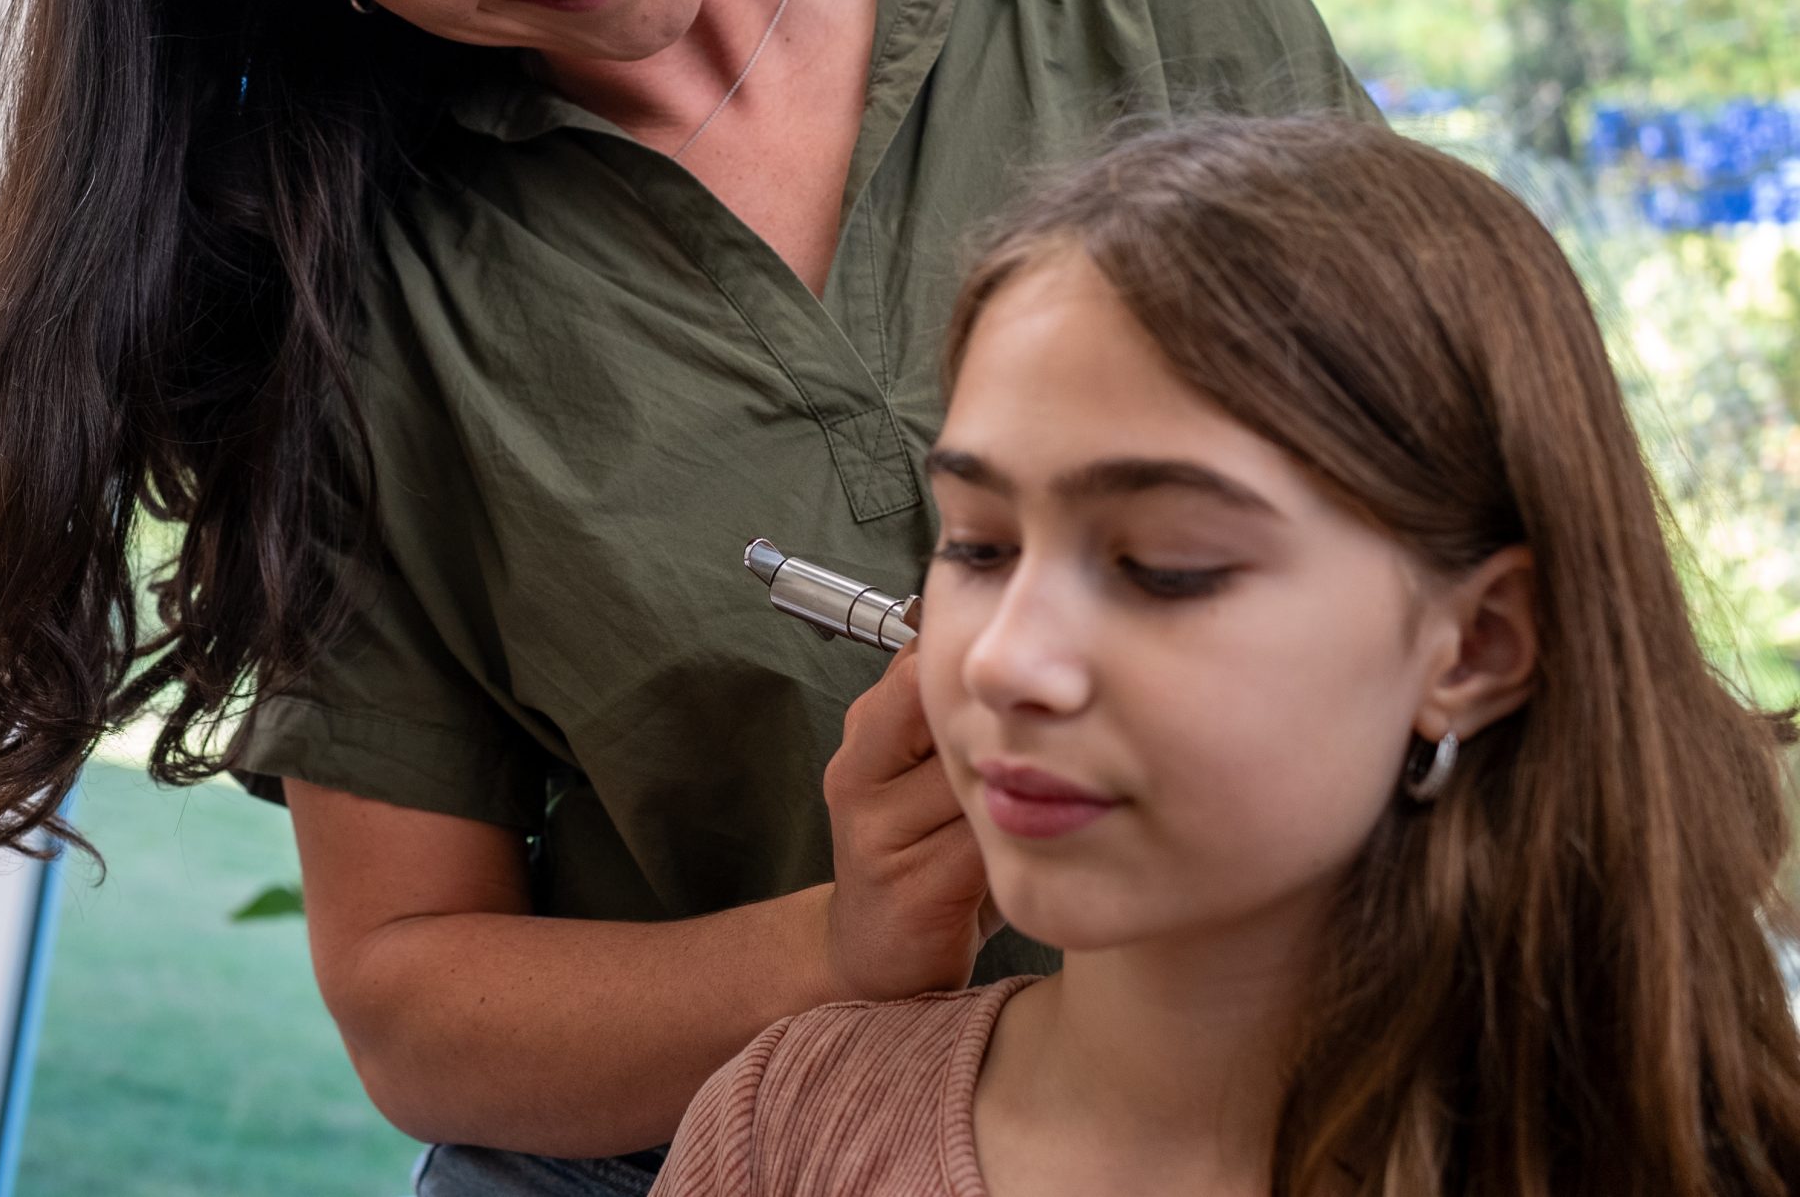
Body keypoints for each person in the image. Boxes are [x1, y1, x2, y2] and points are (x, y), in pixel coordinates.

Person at [0, 0, 1374, 1188]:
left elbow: (1460, 554)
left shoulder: (1164, 21)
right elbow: (413, 1010)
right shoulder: (364, 297)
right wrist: (845, 947)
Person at [652, 116, 1800, 1197]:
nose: (1000, 662)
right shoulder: (781, 1131)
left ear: (1477, 645)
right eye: (979, 546)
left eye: (1164, 566)